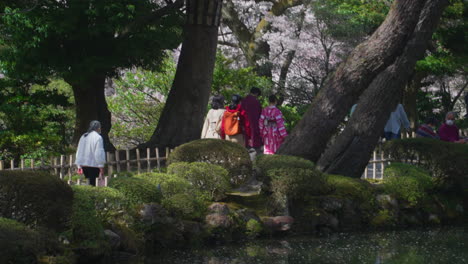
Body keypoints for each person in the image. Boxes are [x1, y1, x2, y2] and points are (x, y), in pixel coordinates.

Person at [75, 120, 106, 186]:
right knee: (94, 184)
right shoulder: (98, 137)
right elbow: (99, 153)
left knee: (87, 183)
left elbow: (79, 150)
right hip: (94, 165)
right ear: (98, 128)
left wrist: (78, 165)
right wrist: (101, 166)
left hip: (83, 164)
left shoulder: (84, 136)